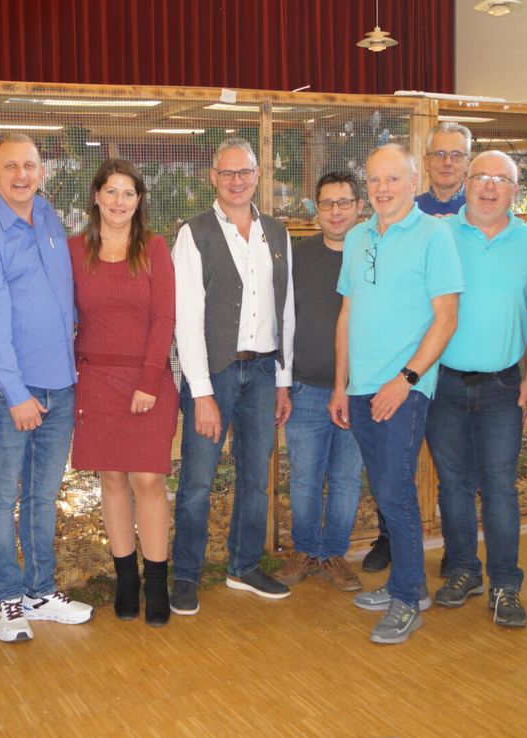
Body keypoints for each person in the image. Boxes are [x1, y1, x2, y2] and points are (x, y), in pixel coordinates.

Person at [0, 133, 92, 644]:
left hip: (61, 383)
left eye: (30, 165)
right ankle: (8, 598)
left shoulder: (49, 218)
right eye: (10, 166)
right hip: (16, 389)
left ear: (42, 171)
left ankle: (40, 591)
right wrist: (14, 395)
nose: (21, 175)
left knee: (43, 494)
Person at [331, 143, 463, 644]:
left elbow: (446, 319)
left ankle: (408, 598)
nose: (382, 189)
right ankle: (406, 585)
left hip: (404, 389)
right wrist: (342, 385)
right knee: (387, 491)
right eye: (374, 180)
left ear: (413, 182)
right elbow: (348, 314)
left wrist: (404, 380)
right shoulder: (358, 235)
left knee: (395, 493)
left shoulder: (435, 235)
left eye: (392, 179)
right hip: (361, 389)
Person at [171, 137, 295, 615]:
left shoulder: (277, 234)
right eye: (228, 173)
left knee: (256, 478)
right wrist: (200, 393)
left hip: (263, 371)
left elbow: (285, 312)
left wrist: (282, 379)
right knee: (199, 480)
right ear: (213, 179)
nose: (237, 180)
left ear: (258, 175)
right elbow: (187, 319)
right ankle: (185, 574)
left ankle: (243, 566)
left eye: (245, 172)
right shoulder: (194, 233)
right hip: (215, 374)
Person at [426, 151, 527, 629]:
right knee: (452, 486)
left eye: (502, 180)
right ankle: (462, 571)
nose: (490, 187)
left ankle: (504, 584)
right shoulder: (439, 234)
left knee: (499, 488)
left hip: (502, 387)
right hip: (444, 384)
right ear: (466, 184)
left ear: (515, 189)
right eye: (482, 178)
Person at [68, 159, 178, 627]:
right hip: (95, 381)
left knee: (148, 481)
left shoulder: (154, 248)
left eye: (128, 193)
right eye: (110, 192)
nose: (118, 201)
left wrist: (149, 382)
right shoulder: (74, 251)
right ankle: (125, 579)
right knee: (111, 479)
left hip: (147, 381)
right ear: (96, 196)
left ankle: (156, 582)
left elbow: (164, 318)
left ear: (139, 201)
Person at [275, 171, 366, 593]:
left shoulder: (373, 254)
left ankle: (334, 553)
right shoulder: (297, 256)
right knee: (305, 477)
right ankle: (306, 549)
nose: (335, 211)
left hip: (360, 390)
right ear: (315, 210)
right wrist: (282, 381)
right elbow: (282, 323)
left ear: (359, 207)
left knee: (347, 477)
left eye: (343, 202)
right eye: (326, 203)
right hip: (306, 388)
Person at [414, 122, 472, 217]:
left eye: (456, 155)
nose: (447, 162)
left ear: (467, 163)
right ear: (426, 162)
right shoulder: (411, 211)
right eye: (439, 154)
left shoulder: (480, 210)